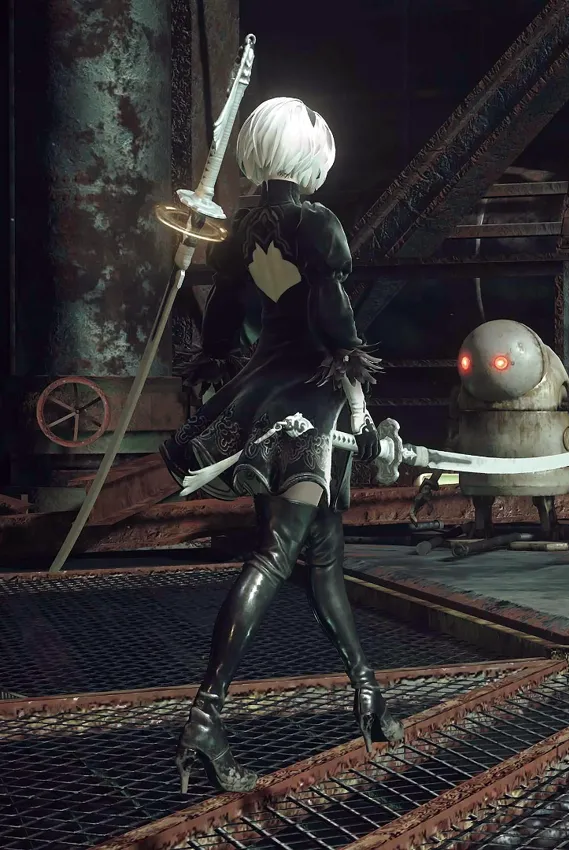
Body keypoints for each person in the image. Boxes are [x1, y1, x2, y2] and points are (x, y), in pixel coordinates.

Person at [162, 97, 403, 794]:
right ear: (309, 155)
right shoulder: (316, 224)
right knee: (277, 554)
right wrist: (357, 393)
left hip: (261, 395)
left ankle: (367, 693)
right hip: (309, 405)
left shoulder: (244, 231)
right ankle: (205, 719)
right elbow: (332, 321)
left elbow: (224, 322)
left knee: (323, 556)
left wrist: (215, 357)